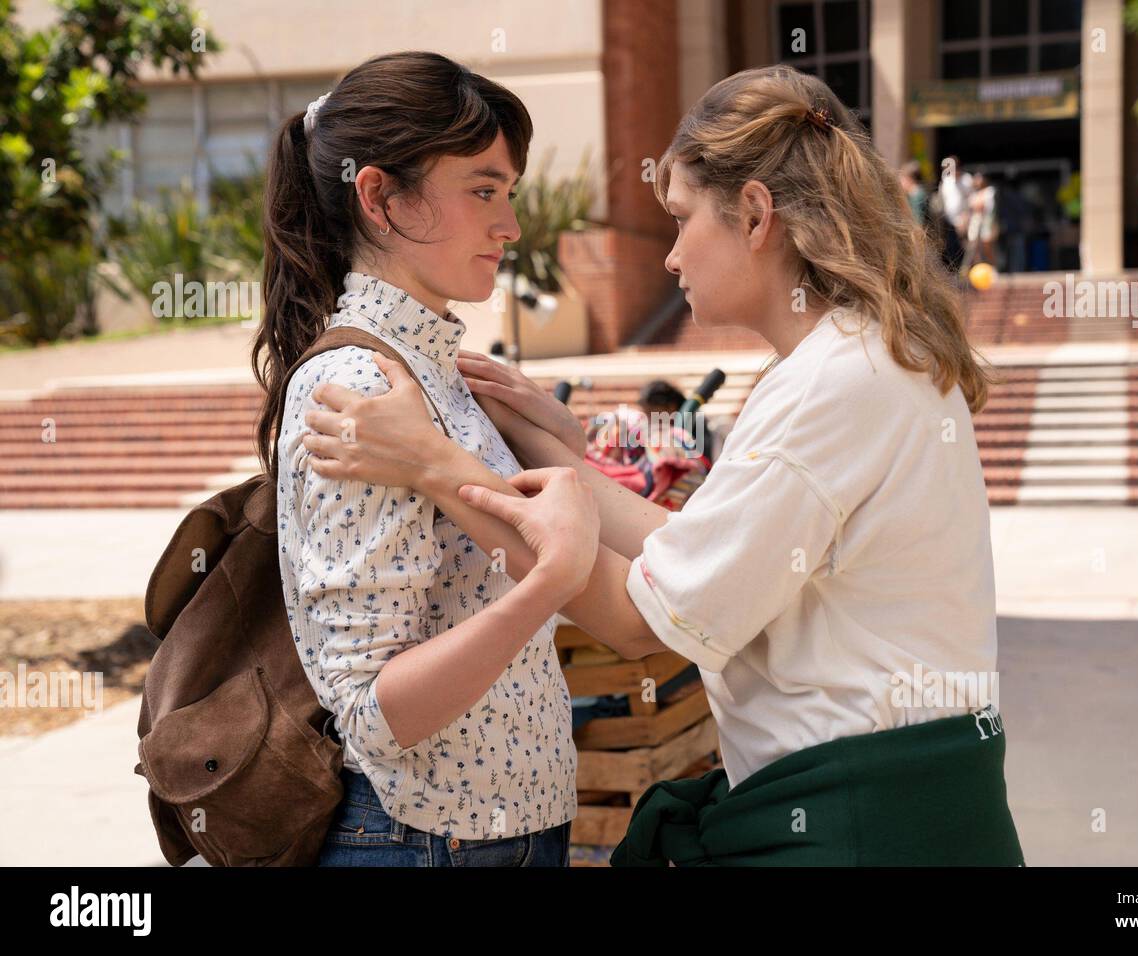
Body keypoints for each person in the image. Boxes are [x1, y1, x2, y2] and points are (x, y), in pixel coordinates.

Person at [303, 65, 1024, 866]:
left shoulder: (831, 386)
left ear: (754, 215)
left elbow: (643, 619)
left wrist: (436, 467)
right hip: (898, 807)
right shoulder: (873, 356)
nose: (673, 255)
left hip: (862, 823)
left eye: (681, 219)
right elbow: (691, 556)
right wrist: (557, 451)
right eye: (484, 192)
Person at [253, 51, 612, 867]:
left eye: (509, 193)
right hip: (426, 841)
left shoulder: (438, 374)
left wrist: (562, 446)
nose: (511, 225)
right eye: (483, 190)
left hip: (496, 832)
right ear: (379, 196)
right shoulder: (358, 392)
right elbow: (374, 712)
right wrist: (547, 585)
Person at [964, 171, 999, 271]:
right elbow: (971, 207)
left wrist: (977, 204)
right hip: (975, 222)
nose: (978, 181)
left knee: (987, 247)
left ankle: (993, 269)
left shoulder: (990, 191)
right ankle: (978, 270)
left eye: (980, 178)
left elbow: (983, 206)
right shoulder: (973, 193)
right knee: (974, 248)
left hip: (987, 222)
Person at [898, 159, 928, 227]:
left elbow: (918, 222)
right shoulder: (912, 195)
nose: (901, 182)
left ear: (909, 179)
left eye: (902, 179)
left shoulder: (918, 196)